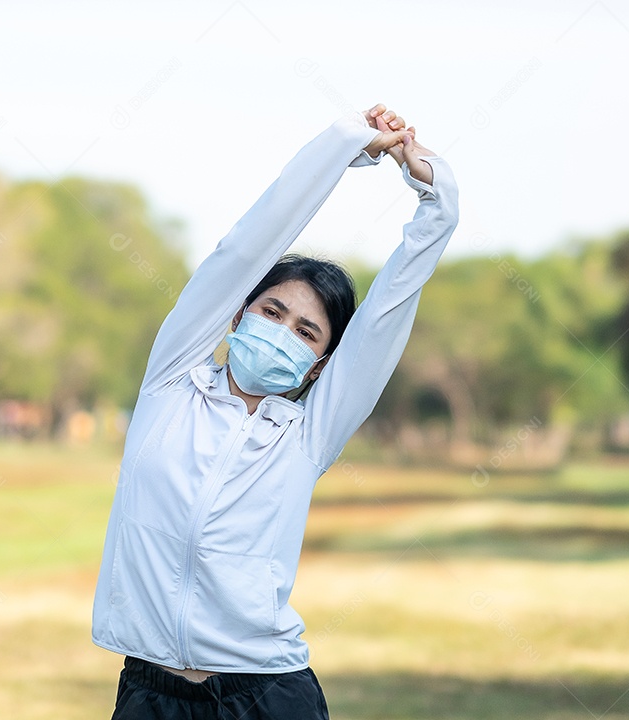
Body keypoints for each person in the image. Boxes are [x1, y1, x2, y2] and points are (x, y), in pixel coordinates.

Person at [92, 103, 460, 719]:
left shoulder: (307, 435)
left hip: (268, 695)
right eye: (271, 312)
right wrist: (346, 144)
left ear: (319, 364)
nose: (284, 333)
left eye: (308, 332)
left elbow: (386, 311)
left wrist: (435, 200)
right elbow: (241, 251)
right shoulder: (169, 383)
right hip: (150, 696)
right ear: (236, 314)